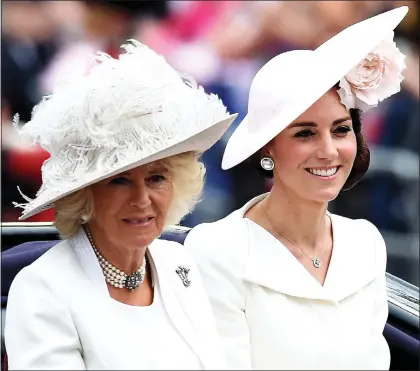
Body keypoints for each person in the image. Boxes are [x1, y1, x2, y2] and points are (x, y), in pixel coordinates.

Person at [184, 7, 408, 370]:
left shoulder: (365, 242)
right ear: (267, 148)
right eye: (305, 133)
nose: (328, 150)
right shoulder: (218, 251)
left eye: (340, 130)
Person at [4, 39, 237, 370]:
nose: (142, 199)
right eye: (119, 180)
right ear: (85, 193)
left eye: (156, 178)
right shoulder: (42, 289)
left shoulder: (178, 263)